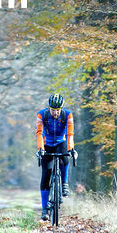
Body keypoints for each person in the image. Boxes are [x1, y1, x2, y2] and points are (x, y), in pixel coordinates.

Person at [35, 93, 75, 221]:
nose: (56, 113)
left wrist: (71, 149)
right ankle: (45, 209)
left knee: (65, 158)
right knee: (46, 174)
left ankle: (64, 183)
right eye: (53, 110)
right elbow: (39, 133)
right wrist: (40, 149)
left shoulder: (67, 115)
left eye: (58, 111)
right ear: (49, 108)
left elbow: (70, 133)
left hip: (60, 142)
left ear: (61, 109)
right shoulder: (42, 115)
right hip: (47, 144)